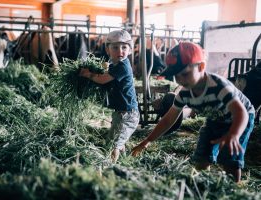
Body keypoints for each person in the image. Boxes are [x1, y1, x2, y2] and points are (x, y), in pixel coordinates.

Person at [131, 41, 255, 183]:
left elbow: (241, 113)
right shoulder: (184, 94)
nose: (180, 80)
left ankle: (234, 188)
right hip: (215, 117)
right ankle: (203, 182)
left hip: (239, 118)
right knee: (202, 155)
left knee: (229, 157)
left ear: (201, 66)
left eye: (185, 74)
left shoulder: (219, 87)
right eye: (176, 76)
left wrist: (233, 134)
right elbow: (168, 119)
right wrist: (148, 140)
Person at [79, 30, 140, 163]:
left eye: (124, 47)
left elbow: (102, 79)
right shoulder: (115, 65)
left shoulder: (123, 66)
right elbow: (106, 74)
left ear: (130, 50)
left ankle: (111, 167)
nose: (120, 51)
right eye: (115, 47)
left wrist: (87, 74)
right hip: (121, 112)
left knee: (113, 144)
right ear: (108, 50)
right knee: (116, 139)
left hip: (127, 113)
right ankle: (125, 162)